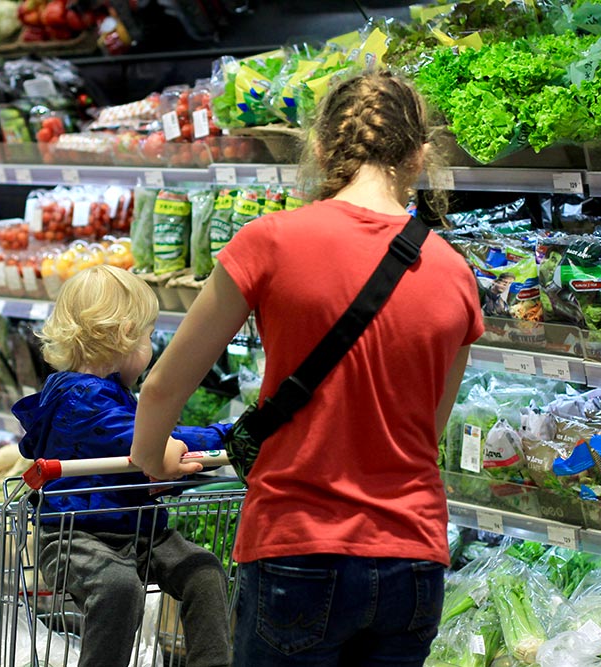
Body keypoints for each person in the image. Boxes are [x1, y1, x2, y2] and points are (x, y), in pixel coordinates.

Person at [130, 70, 484, 667]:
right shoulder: (454, 272)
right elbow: (427, 429)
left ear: (321, 149)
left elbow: (163, 385)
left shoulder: (271, 241)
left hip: (299, 548)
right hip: (414, 560)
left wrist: (151, 459)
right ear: (420, 155)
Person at [12, 264, 232, 667]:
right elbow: (149, 439)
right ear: (124, 335)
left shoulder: (109, 394)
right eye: (148, 336)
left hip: (137, 526)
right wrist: (225, 434)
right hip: (76, 537)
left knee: (203, 571)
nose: (150, 348)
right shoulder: (84, 400)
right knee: (118, 587)